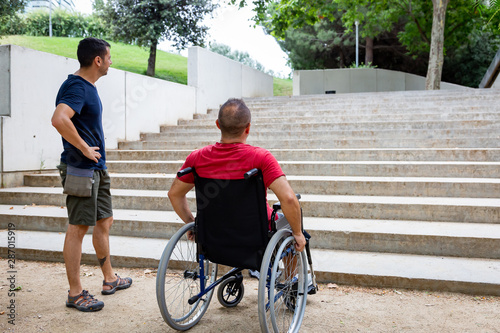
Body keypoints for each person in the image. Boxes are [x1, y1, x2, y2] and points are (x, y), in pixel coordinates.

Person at [51, 37, 132, 312]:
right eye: (109, 57)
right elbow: (59, 118)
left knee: (104, 220)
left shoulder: (87, 87)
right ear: (98, 60)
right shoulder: (77, 86)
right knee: (78, 227)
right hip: (81, 168)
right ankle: (75, 293)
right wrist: (84, 147)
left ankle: (109, 278)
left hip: (96, 168)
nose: (111, 61)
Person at [168, 98, 307, 254]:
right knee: (290, 224)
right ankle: (292, 277)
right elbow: (288, 199)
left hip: (213, 232)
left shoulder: (197, 158)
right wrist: (297, 233)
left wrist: (191, 222)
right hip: (255, 233)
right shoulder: (261, 158)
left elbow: (174, 194)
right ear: (248, 128)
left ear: (218, 125)